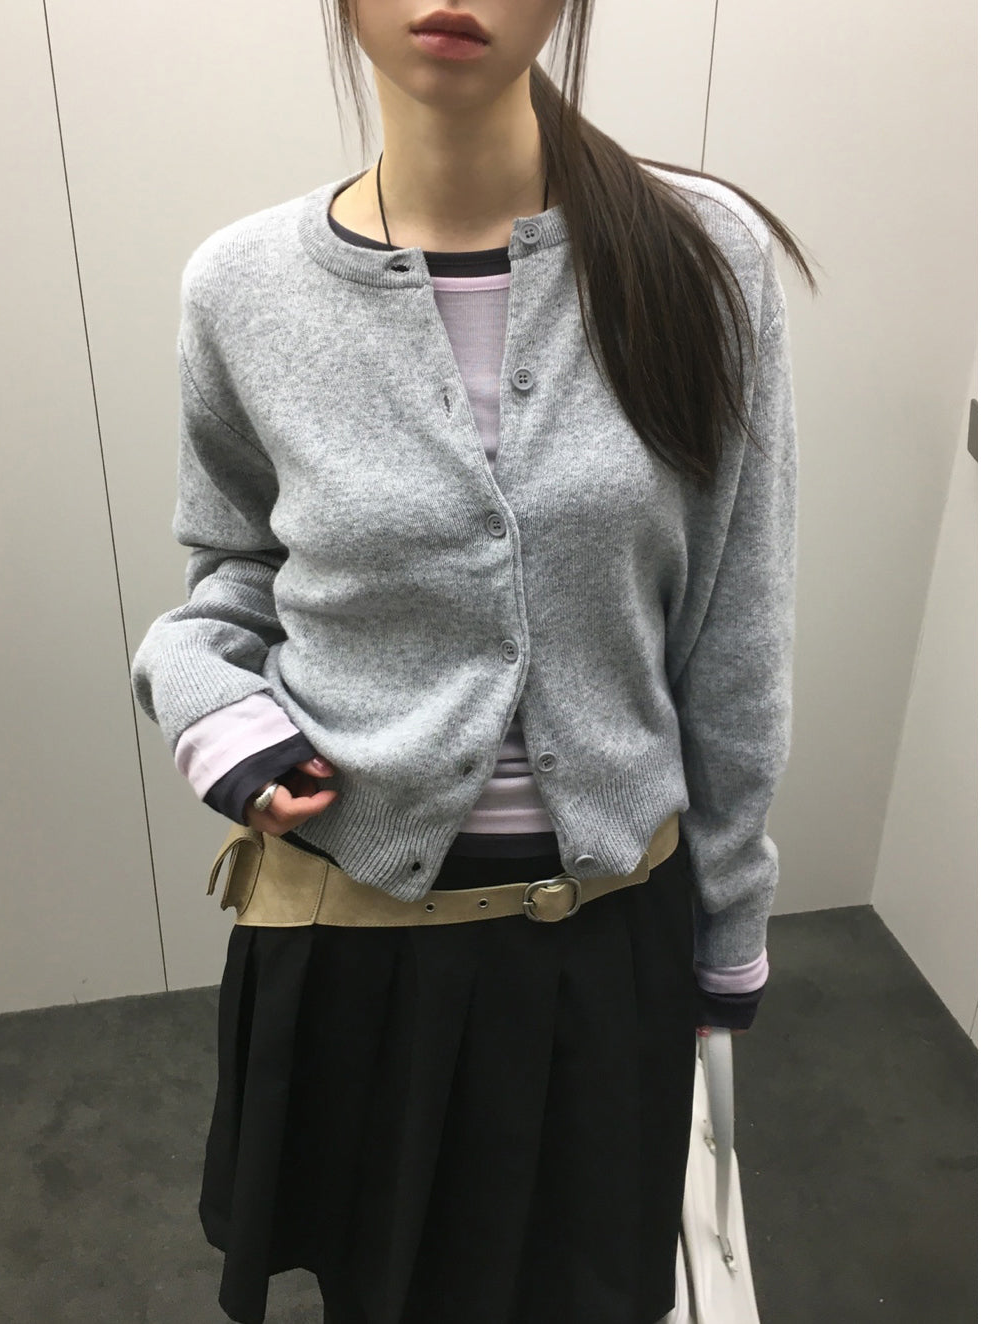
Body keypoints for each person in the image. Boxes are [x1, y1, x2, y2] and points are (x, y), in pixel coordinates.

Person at [131, 3, 818, 1321]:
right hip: (352, 946)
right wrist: (221, 717)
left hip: (608, 942)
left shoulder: (700, 258)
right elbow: (230, 579)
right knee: (383, 1289)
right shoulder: (243, 287)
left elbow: (737, 630)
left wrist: (730, 926)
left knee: (589, 1288)